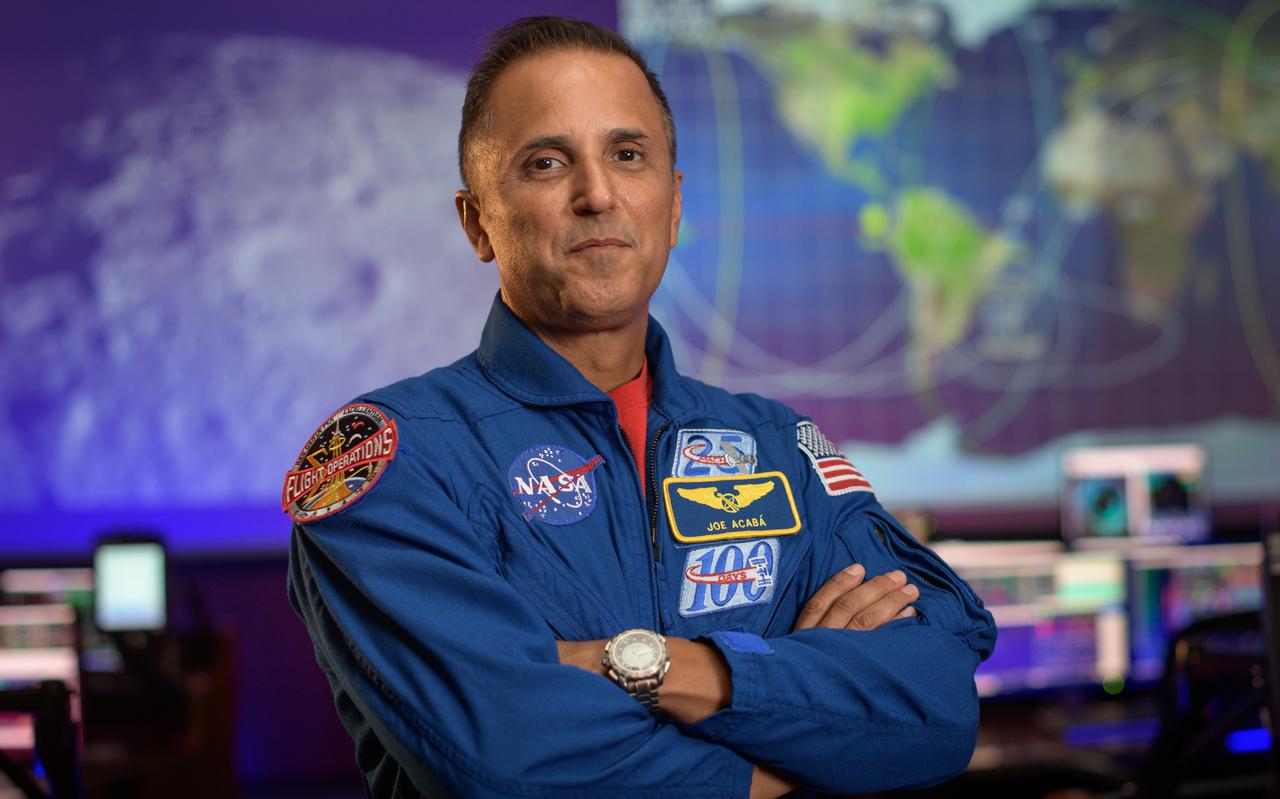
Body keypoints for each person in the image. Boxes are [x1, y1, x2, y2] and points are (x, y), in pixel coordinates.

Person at [284, 16, 996, 799]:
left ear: (674, 202)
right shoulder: (390, 462)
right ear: (477, 221)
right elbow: (511, 762)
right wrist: (790, 757)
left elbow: (935, 707)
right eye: (547, 163)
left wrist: (640, 663)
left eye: (628, 155)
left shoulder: (775, 443)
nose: (597, 194)